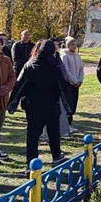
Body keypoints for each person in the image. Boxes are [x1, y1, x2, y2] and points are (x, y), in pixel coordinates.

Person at [9, 40, 69, 173]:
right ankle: (56, 155)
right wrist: (68, 106)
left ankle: (31, 162)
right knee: (54, 131)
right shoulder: (55, 66)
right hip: (51, 105)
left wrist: (12, 102)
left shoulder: (30, 65)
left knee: (32, 135)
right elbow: (63, 86)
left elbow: (20, 85)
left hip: (33, 106)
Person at [61, 37, 84, 127]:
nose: (74, 47)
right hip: (69, 84)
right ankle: (67, 123)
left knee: (74, 102)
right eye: (72, 45)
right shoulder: (65, 56)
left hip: (77, 83)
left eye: (75, 45)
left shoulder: (77, 56)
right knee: (68, 103)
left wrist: (80, 80)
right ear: (68, 45)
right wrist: (74, 81)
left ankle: (70, 123)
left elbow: (81, 69)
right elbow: (66, 71)